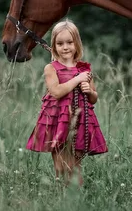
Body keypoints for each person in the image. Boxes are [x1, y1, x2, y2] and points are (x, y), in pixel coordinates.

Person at [26, 20, 107, 184]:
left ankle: (74, 197)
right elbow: (56, 92)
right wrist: (77, 80)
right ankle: (62, 194)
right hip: (57, 119)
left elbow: (94, 98)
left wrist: (89, 91)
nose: (65, 47)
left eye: (69, 42)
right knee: (61, 165)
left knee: (75, 164)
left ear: (77, 43)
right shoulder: (51, 68)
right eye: (60, 43)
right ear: (54, 46)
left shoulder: (84, 69)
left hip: (79, 120)